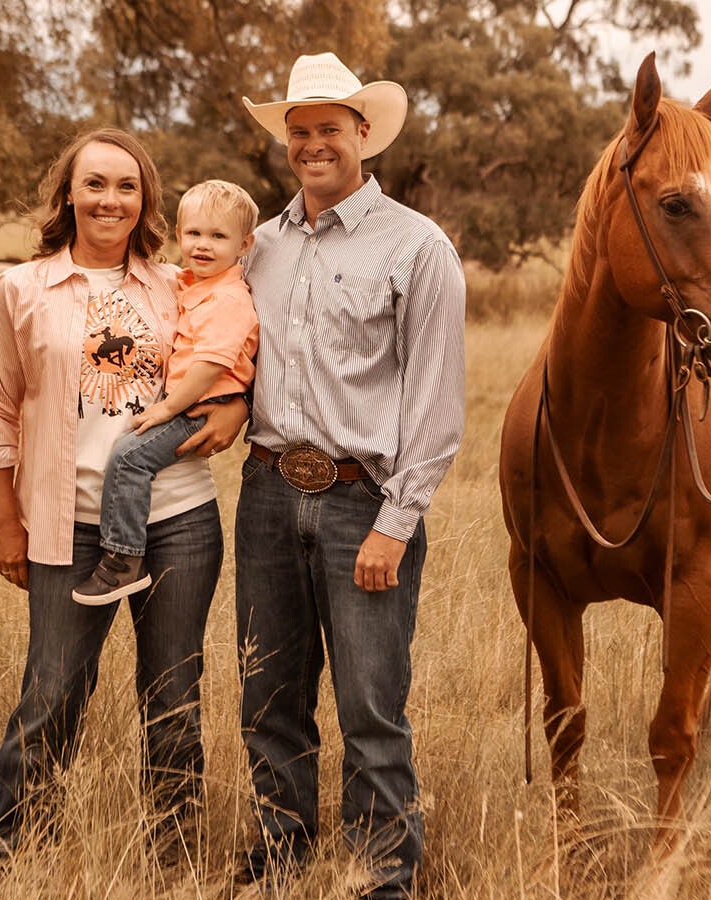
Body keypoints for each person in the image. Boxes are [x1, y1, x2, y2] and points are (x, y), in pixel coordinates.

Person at [230, 51, 467, 897]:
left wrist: (395, 524)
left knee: (372, 710)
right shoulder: (256, 246)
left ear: (364, 133)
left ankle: (384, 878)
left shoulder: (416, 246)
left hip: (359, 501)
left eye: (329, 127)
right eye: (300, 131)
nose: (312, 143)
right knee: (268, 697)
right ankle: (277, 862)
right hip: (263, 493)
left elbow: (436, 404)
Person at [0, 127, 237, 873]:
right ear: (69, 194)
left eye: (126, 186)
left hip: (178, 519)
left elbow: (227, 359)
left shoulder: (177, 286)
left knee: (174, 697)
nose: (110, 199)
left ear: (145, 198)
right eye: (95, 184)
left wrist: (236, 408)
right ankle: (2, 858)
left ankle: (172, 861)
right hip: (68, 523)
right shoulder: (21, 289)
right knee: (51, 694)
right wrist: (3, 520)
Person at [73, 179, 260, 605]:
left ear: (244, 244)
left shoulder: (228, 298)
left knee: (128, 457)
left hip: (199, 408)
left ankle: (122, 559)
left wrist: (167, 408)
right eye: (193, 233)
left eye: (218, 236)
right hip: (188, 404)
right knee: (130, 456)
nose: (203, 245)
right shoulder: (193, 284)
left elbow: (211, 364)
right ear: (178, 235)